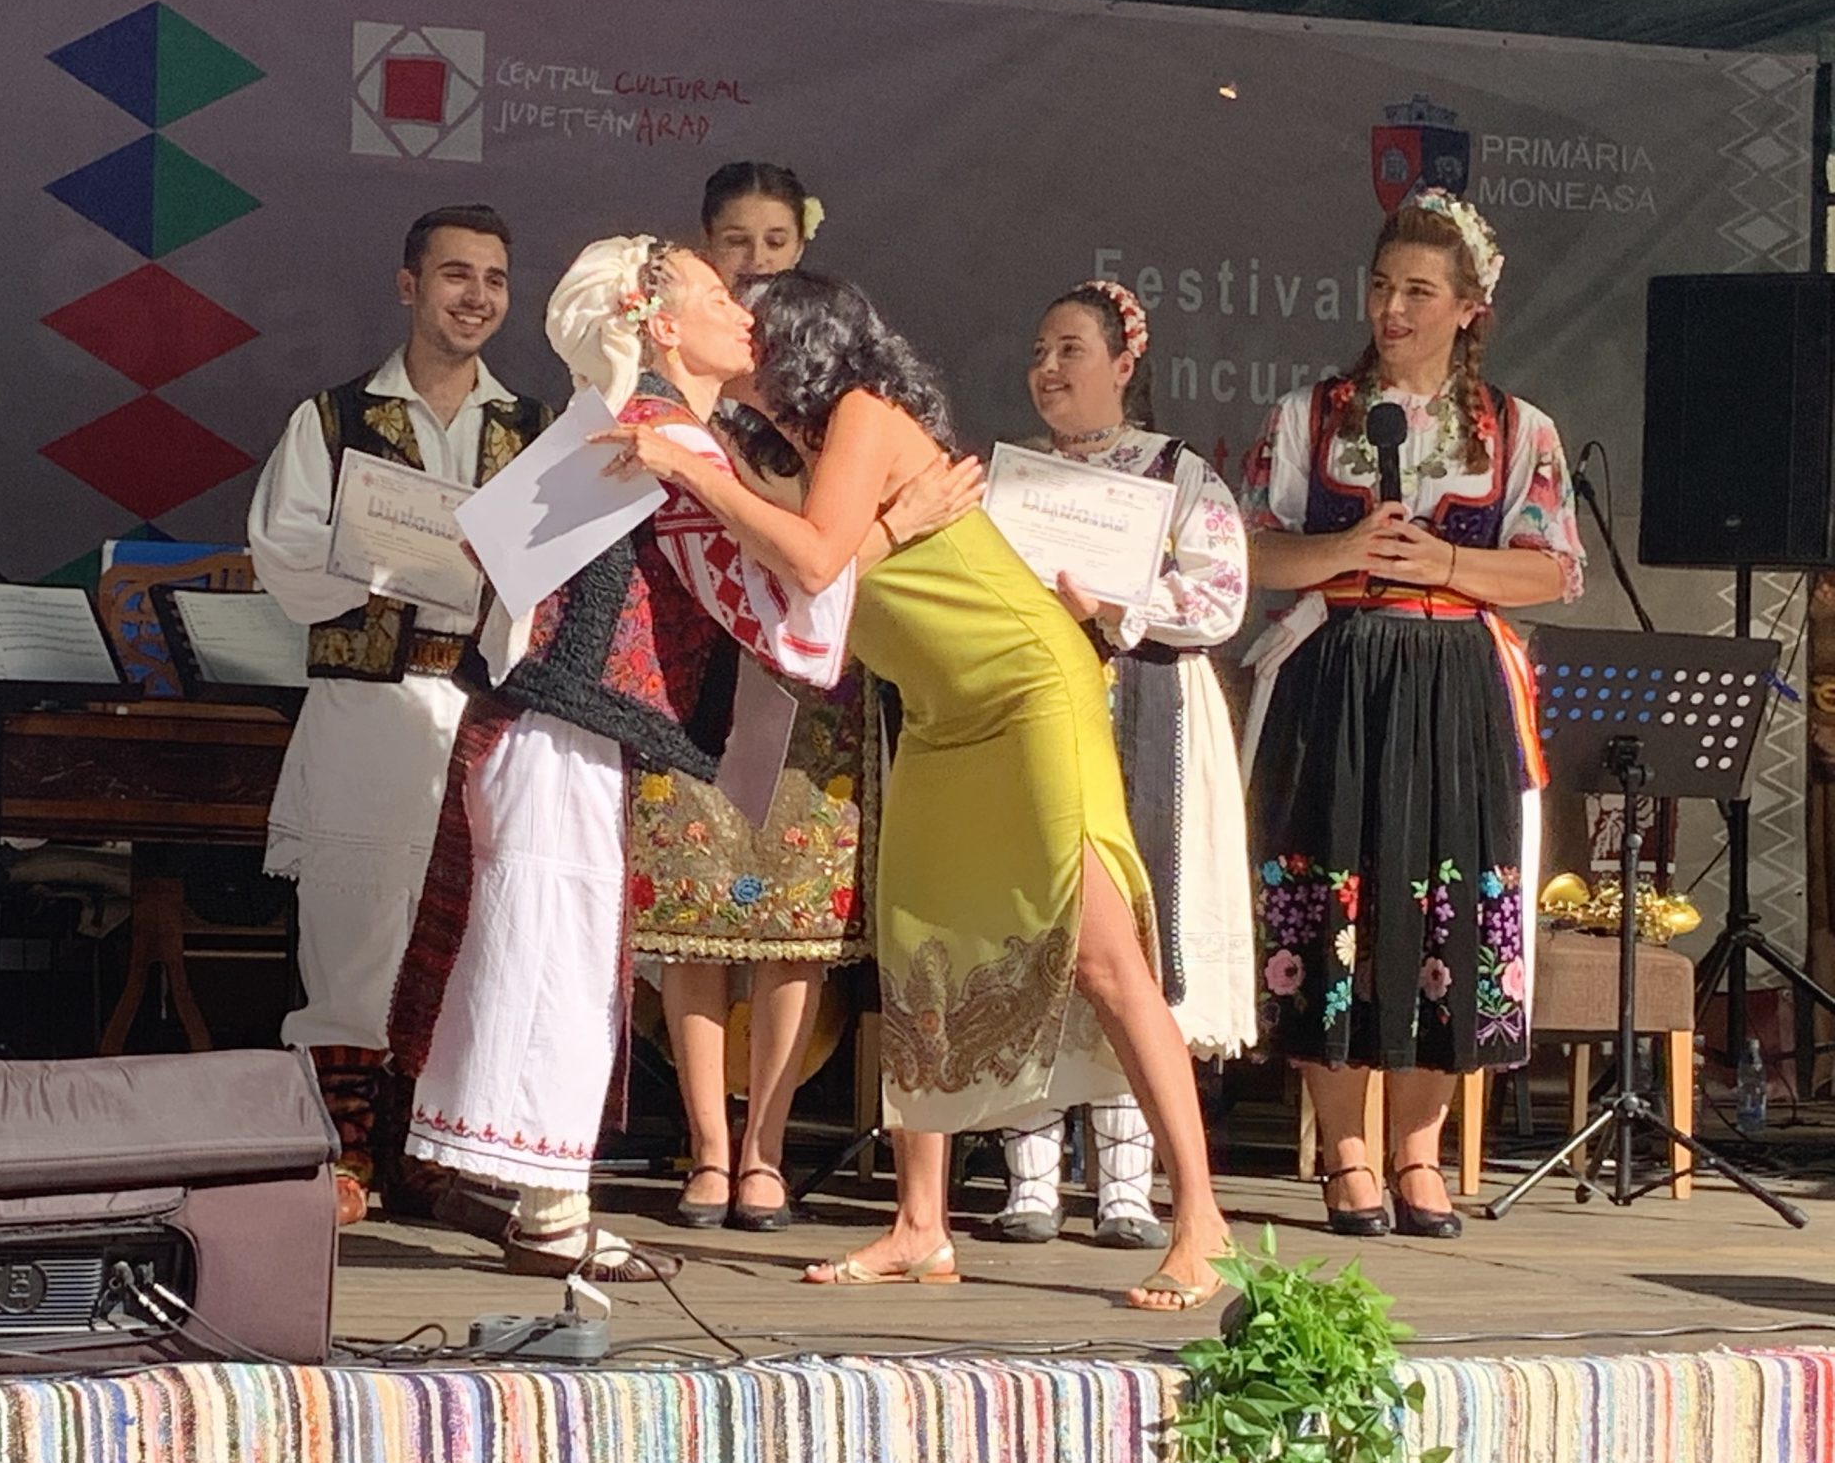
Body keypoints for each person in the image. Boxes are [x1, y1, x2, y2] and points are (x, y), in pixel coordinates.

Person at [596, 269, 1233, 1311]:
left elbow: (815, 562)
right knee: (919, 956)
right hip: (939, 716)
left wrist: (692, 472)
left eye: (755, 321)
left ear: (800, 341)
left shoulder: (860, 413)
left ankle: (1201, 1222)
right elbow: (800, 590)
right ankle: (920, 1226)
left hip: (1027, 692)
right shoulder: (785, 454)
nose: (741, 333)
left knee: (1105, 959)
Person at [387, 238, 976, 1282]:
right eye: (714, 296)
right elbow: (786, 605)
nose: (743, 316)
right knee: (557, 959)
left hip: (553, 727)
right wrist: (896, 526)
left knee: (547, 953)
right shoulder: (659, 435)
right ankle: (547, 1205)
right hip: (559, 729)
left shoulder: (639, 425)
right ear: (658, 324)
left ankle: (520, 1187)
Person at [1242, 189, 1581, 1238]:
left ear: (1470, 309)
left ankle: (1418, 1152)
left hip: (1455, 681)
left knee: (1447, 902)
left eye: (1419, 293)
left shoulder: (1518, 430)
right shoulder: (1308, 416)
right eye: (1382, 287)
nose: (1393, 309)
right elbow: (1243, 553)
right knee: (1331, 895)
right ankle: (1345, 1152)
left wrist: (1445, 564)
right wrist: (1342, 551)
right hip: (1336, 674)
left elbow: (1553, 571)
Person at [246, 205, 553, 1227]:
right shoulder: (335, 418)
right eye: (456, 274)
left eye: (494, 279)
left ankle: (436, 1150)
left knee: (472, 932)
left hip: (481, 706)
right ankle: (341, 1151)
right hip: (369, 704)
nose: (477, 296)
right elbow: (287, 555)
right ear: (409, 285)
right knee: (353, 932)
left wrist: (448, 574)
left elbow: (552, 578)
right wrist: (410, 565)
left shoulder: (532, 429)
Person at [634, 162, 873, 1235]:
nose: (757, 262)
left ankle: (768, 1149)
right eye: (737, 243)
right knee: (690, 916)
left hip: (809, 683)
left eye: (777, 242)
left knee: (792, 924)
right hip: (695, 672)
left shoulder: (830, 390)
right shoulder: (676, 387)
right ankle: (705, 1146)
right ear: (702, 249)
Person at [992, 280, 1255, 1249]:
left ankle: (1127, 1188)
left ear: (1123, 363)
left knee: (1130, 942)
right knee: (1034, 929)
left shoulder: (1179, 475)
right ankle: (1028, 1179)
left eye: (1070, 349)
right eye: (1039, 351)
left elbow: (1221, 599)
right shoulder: (1013, 482)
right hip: (1033, 714)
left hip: (1148, 713)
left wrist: (1108, 609)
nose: (1048, 368)